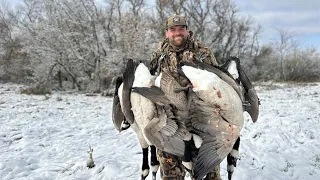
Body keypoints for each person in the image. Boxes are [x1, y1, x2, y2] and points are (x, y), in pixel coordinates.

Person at [149, 15, 222, 180]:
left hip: (201, 124)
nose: (177, 33)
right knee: (171, 176)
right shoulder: (159, 55)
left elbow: (218, 84)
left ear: (187, 31)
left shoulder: (203, 53)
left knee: (209, 174)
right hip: (170, 125)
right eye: (173, 30)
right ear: (167, 32)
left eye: (181, 29)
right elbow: (151, 83)